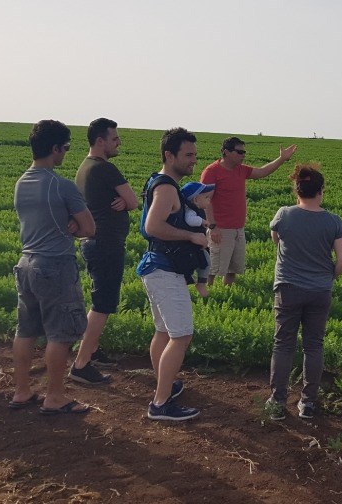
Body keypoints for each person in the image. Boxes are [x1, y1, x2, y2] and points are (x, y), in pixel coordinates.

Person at [12, 119, 94, 415]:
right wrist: (71, 226)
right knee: (60, 334)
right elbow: (89, 228)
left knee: (26, 330)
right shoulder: (61, 184)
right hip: (55, 265)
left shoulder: (22, 181)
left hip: (25, 263)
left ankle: (22, 391)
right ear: (55, 148)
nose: (66, 153)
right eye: (66, 147)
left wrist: (66, 224)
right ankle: (55, 397)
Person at [264, 163, 342, 421]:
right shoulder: (333, 221)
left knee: (283, 344)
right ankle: (308, 403)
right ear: (321, 191)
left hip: (288, 288)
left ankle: (278, 402)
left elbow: (275, 239)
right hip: (319, 290)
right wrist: (327, 277)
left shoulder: (284, 215)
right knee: (314, 345)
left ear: (297, 190)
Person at [136, 127, 207, 421]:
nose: (194, 160)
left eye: (194, 154)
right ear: (170, 155)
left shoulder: (159, 181)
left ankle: (165, 385)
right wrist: (190, 237)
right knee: (181, 335)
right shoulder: (165, 187)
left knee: (163, 332)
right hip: (165, 271)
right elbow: (153, 227)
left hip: (156, 268)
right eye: (188, 155)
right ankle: (161, 404)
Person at [69, 117, 138, 385]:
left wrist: (125, 202)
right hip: (106, 244)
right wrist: (126, 202)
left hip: (94, 243)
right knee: (103, 305)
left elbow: (127, 202)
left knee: (100, 300)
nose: (118, 142)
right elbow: (133, 201)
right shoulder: (105, 169)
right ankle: (81, 365)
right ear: (100, 141)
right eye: (115, 138)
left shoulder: (84, 168)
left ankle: (93, 350)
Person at [200, 137, 297, 287]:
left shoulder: (241, 170)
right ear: (226, 152)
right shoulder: (212, 172)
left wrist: (281, 159)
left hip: (238, 228)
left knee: (233, 268)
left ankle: (227, 292)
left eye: (244, 152)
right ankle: (207, 295)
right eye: (239, 152)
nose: (243, 155)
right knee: (214, 268)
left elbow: (262, 172)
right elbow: (205, 201)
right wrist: (213, 227)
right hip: (220, 229)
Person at [179, 182, 216, 297]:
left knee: (204, 262)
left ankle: (198, 283)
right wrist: (203, 221)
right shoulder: (190, 211)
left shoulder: (197, 210)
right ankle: (199, 284)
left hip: (197, 245)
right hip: (190, 246)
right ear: (195, 200)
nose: (209, 200)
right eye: (206, 197)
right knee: (202, 263)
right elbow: (190, 220)